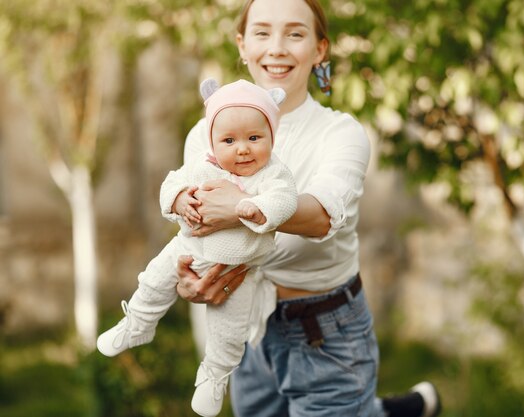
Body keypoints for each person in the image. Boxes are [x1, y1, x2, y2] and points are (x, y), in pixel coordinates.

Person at [175, 0, 443, 416]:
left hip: (325, 335)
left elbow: (320, 217)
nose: (277, 48)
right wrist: (192, 281)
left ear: (320, 50)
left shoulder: (341, 134)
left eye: (295, 34)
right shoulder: (206, 133)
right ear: (242, 45)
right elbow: (195, 228)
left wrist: (242, 207)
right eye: (262, 33)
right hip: (247, 330)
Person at [97, 78, 298, 417]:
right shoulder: (201, 164)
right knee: (151, 282)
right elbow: (171, 183)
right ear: (213, 141)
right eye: (229, 140)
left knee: (228, 333)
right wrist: (177, 199)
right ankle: (138, 325)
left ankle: (214, 376)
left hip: (240, 270)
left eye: (254, 138)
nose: (243, 149)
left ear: (271, 138)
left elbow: (285, 201)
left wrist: (251, 206)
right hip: (186, 249)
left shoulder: (272, 174)